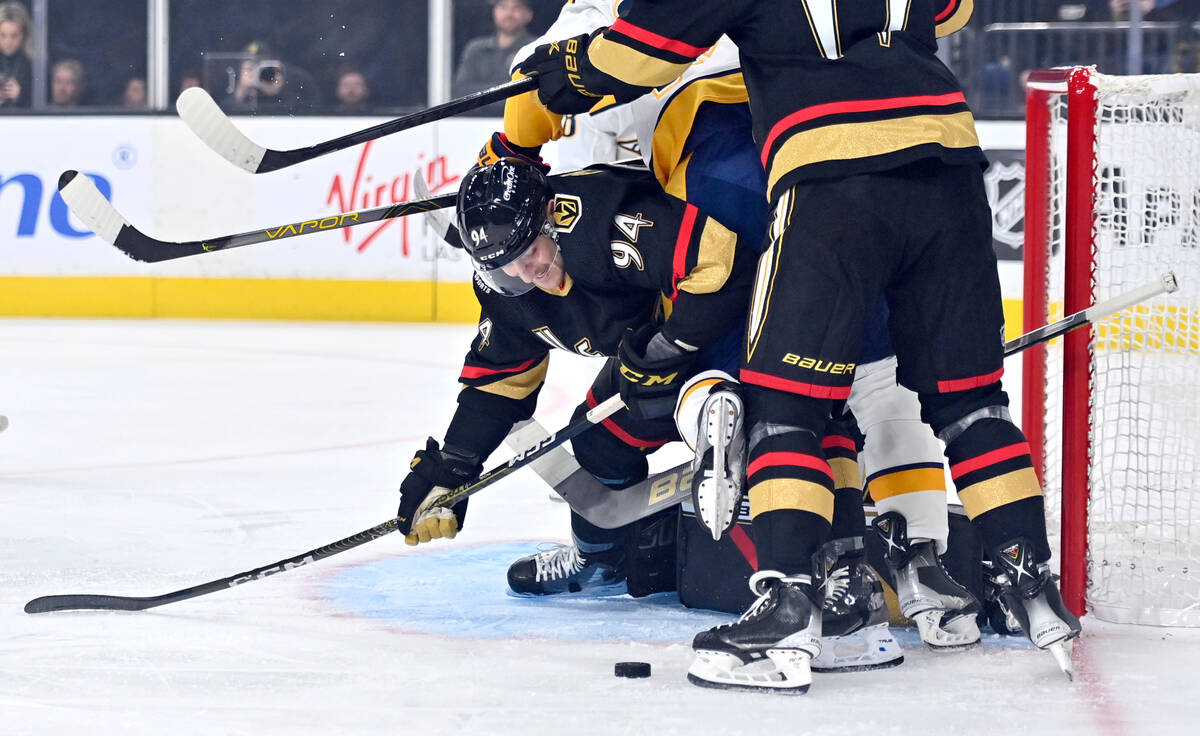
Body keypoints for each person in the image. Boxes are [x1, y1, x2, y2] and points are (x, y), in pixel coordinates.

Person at [518, 0, 1081, 693]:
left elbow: (631, 58)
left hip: (817, 171)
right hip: (950, 163)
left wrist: (553, 78)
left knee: (788, 403)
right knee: (959, 399)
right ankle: (1022, 577)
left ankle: (786, 593)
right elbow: (954, 8)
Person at [452, 0, 536, 116]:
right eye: (503, 7)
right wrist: (508, 89)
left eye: (516, 8)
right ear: (494, 12)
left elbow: (534, 93)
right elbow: (461, 91)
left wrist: (484, 95)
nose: (509, 14)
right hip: (472, 124)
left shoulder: (536, 49)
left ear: (528, 14)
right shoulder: (476, 49)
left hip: (521, 123)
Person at [222, 40, 320, 114]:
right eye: (251, 68)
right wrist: (241, 92)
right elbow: (224, 114)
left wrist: (280, 91)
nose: (259, 72)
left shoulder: (294, 87)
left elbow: (311, 109)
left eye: (262, 67)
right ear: (240, 70)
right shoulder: (241, 96)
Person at [0, 1, 31, 110]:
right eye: (2, 35)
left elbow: (47, 101)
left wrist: (21, 95)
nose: (8, 42)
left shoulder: (34, 65)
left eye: (13, 36)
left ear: (24, 35)